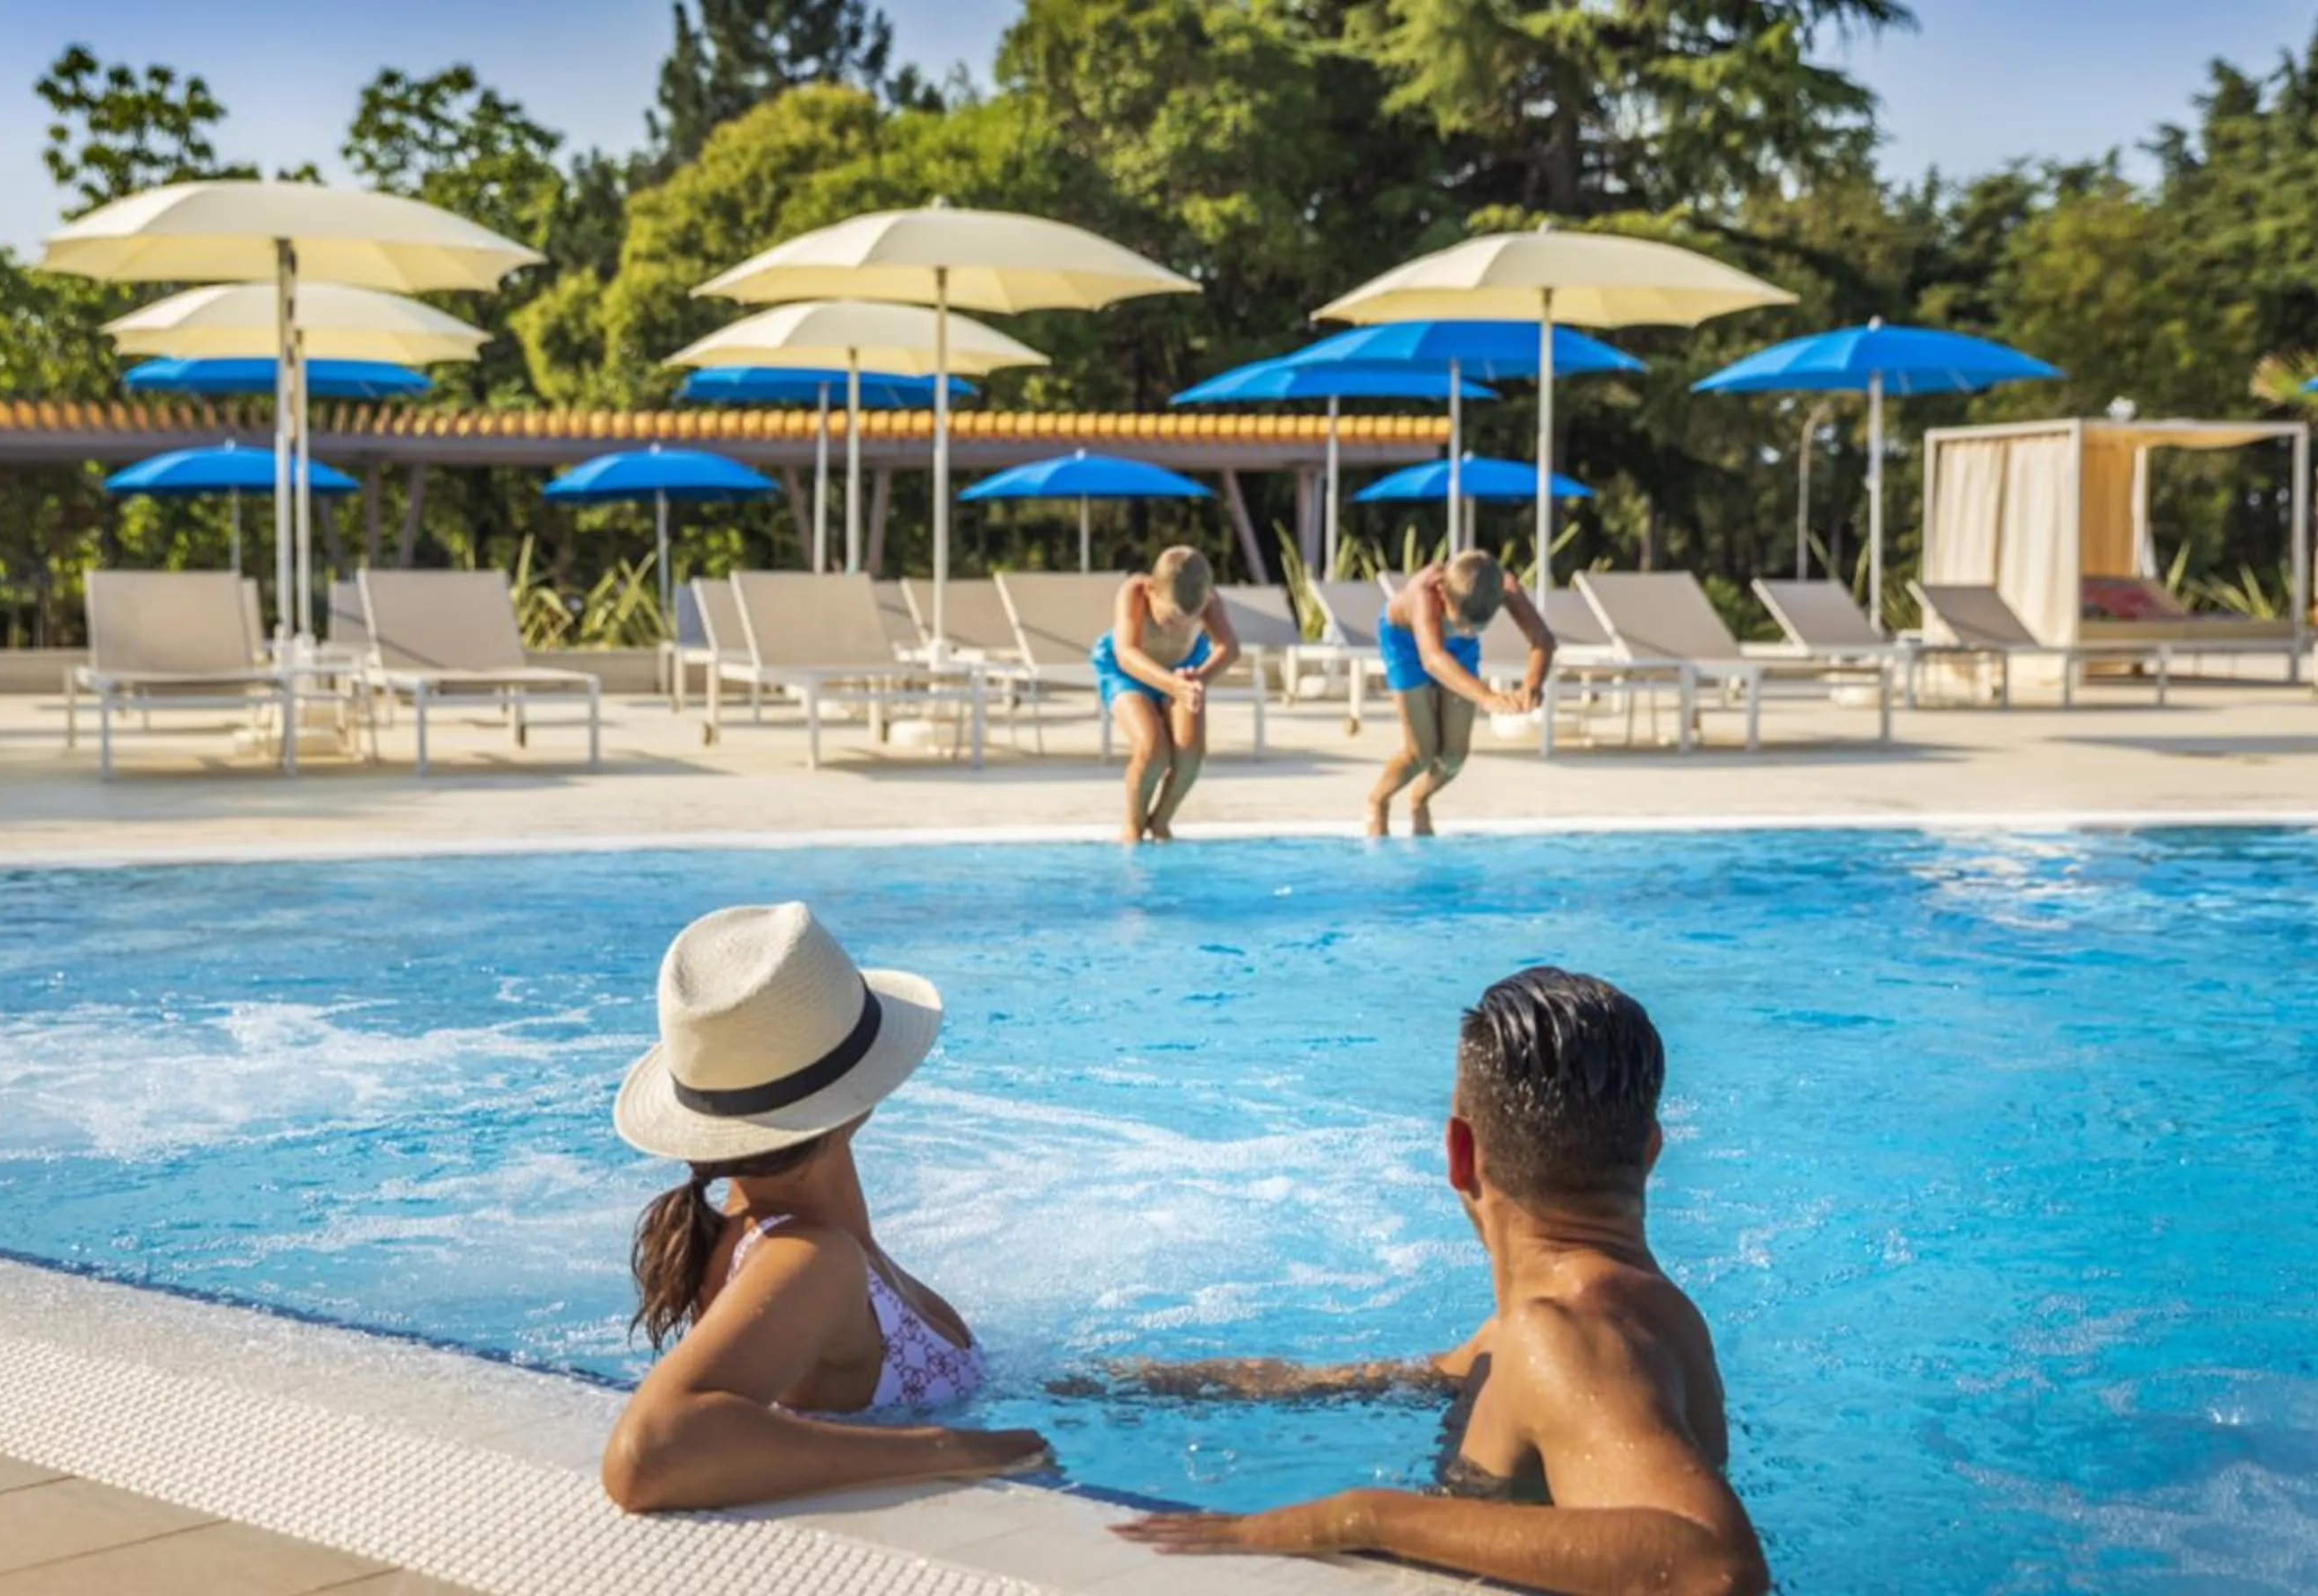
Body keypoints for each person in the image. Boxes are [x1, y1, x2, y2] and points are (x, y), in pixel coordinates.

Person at [1108, 969, 1768, 1596]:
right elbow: (1384, 1381)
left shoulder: (1561, 1338)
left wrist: (1363, 1518)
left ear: (1459, 1153)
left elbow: (1707, 1569)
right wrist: (1124, 1381)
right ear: (1651, 1149)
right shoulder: (1620, 1312)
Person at [601, 902, 1049, 1511]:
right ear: (857, 1097)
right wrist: (956, 1451)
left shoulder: (770, 1232)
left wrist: (1177, 1382)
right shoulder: (811, 1258)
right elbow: (647, 1456)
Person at [1367, 550, 1554, 838]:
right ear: (1443, 593)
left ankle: (1419, 799)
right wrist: (1487, 697)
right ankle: (1378, 801)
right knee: (1420, 753)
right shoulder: (1425, 591)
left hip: (1455, 652)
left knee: (1454, 756)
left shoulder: (1504, 588)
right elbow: (1432, 658)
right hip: (1406, 642)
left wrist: (1533, 683)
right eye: (1461, 623)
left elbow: (1543, 638)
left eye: (1476, 628)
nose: (1467, 630)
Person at [1091, 546, 1244, 844]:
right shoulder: (1135, 592)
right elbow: (1126, 653)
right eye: (1171, 621)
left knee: (1190, 754)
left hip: (1184, 672)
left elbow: (1229, 648)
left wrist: (1197, 680)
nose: (1181, 628)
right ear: (1151, 590)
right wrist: (1173, 686)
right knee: (1153, 750)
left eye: (1191, 621)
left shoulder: (1209, 600)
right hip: (1130, 673)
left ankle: (1161, 821)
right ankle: (1133, 825)